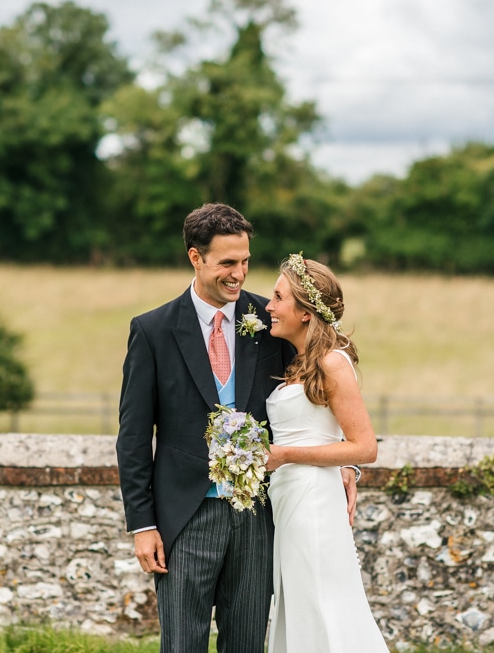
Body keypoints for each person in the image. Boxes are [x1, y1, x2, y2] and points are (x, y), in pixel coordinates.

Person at [115, 204, 357, 652]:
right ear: (196, 257)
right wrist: (142, 524)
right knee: (182, 644)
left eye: (245, 261)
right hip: (185, 517)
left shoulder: (272, 320)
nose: (240, 274)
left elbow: (320, 392)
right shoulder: (153, 331)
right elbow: (132, 436)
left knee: (246, 643)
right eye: (228, 263)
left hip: (258, 515)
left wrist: (347, 463)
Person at [264, 253, 390, 653]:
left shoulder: (333, 363)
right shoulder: (302, 361)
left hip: (313, 502)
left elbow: (365, 446)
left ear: (304, 312)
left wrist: (285, 454)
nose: (269, 306)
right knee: (299, 604)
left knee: (322, 603)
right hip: (290, 499)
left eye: (278, 297)